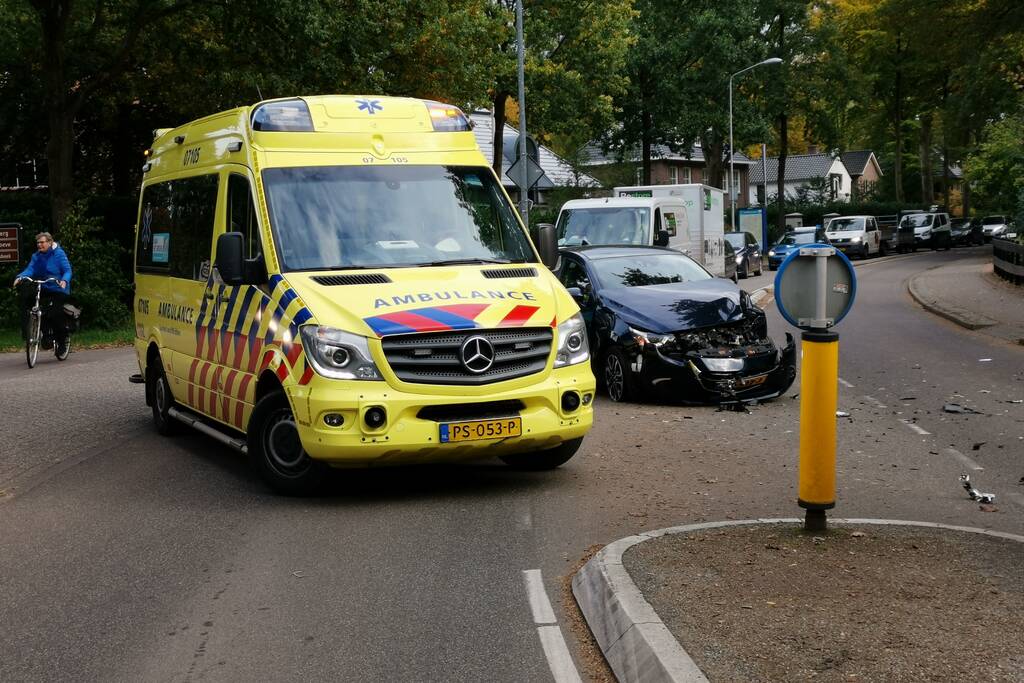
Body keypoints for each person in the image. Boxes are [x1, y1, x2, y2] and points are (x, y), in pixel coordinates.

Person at [13, 232, 73, 357]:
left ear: (50, 242)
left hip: (59, 288)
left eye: (42, 242)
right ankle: (44, 333)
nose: (39, 245)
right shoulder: (36, 256)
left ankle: (62, 343)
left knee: (55, 313)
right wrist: (21, 277)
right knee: (30, 302)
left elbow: (67, 270)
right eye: (38, 243)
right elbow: (30, 269)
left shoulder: (59, 254)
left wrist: (64, 280)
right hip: (44, 286)